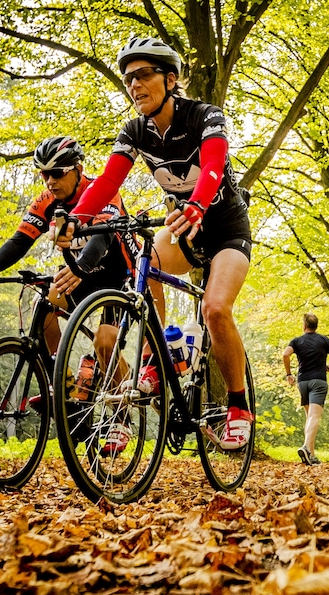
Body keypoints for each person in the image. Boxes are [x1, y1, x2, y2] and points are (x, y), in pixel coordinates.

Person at [69, 36, 254, 451]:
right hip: (184, 228)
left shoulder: (204, 116)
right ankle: (158, 358)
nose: (133, 86)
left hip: (225, 229)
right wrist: (74, 218)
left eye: (143, 75)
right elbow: (107, 183)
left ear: (170, 79)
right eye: (128, 79)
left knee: (215, 309)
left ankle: (239, 407)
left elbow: (212, 164)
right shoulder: (135, 130)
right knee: (144, 260)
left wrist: (198, 205)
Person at [0, 136, 134, 357]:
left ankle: (120, 388)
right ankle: (62, 380)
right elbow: (20, 240)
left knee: (104, 343)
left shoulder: (102, 191)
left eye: (57, 173)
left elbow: (103, 236)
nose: (50, 181)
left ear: (78, 169)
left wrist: (80, 267)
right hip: (83, 275)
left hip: (122, 277)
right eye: (44, 174)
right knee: (42, 305)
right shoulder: (47, 201)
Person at [282, 313, 329, 466]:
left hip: (303, 382)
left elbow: (285, 354)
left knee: (309, 418)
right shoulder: (324, 340)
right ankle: (306, 447)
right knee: (314, 417)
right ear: (316, 326)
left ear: (304, 325)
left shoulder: (297, 341)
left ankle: (311, 455)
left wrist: (288, 374)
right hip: (318, 381)